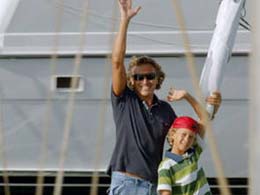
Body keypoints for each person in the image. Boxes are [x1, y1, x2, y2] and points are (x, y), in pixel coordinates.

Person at [107, 0, 222, 194]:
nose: (145, 80)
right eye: (138, 77)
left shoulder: (165, 110)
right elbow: (117, 61)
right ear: (132, 81)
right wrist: (124, 21)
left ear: (157, 79)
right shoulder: (124, 100)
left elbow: (195, 129)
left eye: (150, 76)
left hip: (155, 185)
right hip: (127, 184)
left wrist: (209, 106)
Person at [157, 115, 212, 195]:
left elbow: (204, 117)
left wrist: (191, 101)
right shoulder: (166, 166)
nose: (186, 140)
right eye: (183, 134)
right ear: (173, 134)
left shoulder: (193, 154)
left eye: (191, 137)